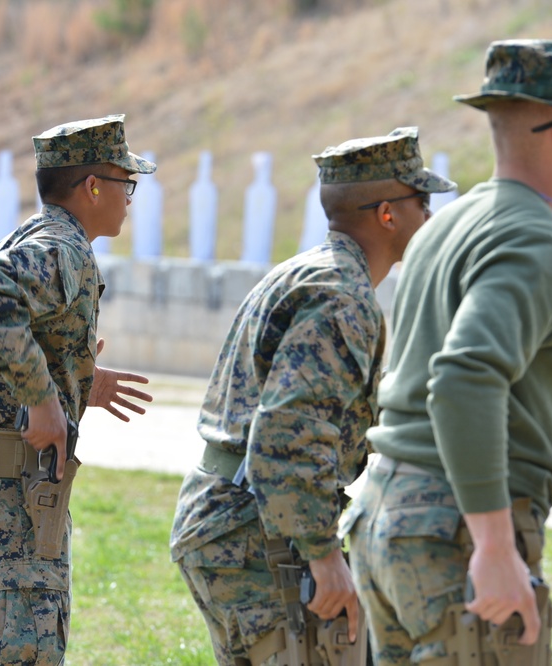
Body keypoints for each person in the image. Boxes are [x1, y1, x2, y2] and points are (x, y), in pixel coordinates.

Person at [343, 39, 552, 665]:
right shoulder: (539, 237)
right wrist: (492, 544)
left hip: (386, 517)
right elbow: (463, 379)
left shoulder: (453, 224)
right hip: (451, 529)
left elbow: (488, 381)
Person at [170, 128, 456, 665]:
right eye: (423, 202)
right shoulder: (341, 298)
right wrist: (324, 556)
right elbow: (288, 438)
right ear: (388, 214)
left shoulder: (314, 273)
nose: (430, 217)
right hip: (259, 534)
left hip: (243, 521)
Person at [0, 114, 155, 665]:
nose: (130, 197)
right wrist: (42, 398)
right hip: (10, 497)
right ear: (93, 186)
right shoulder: (62, 248)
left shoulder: (37, 235)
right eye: (126, 183)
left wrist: (74, 381)